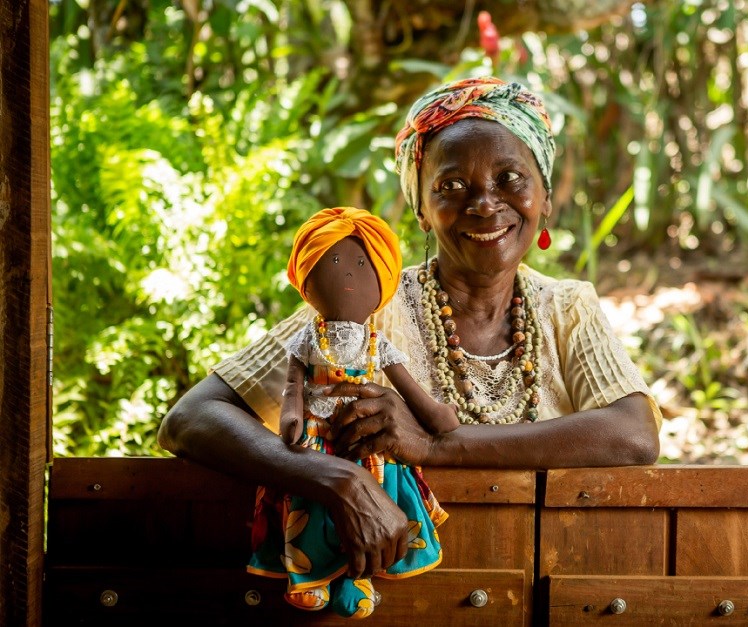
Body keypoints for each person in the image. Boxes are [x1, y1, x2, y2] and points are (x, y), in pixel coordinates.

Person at [158, 76, 661, 586]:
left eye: (510, 178)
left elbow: (634, 435)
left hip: (535, 579)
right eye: (451, 186)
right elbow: (192, 418)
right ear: (421, 209)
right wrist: (340, 480)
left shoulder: (568, 307)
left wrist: (437, 446)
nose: (485, 204)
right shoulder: (370, 305)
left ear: (545, 197)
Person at [247, 207, 456, 617]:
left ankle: (355, 580)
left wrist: (432, 415)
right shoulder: (305, 336)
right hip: (316, 441)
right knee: (310, 511)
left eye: (361, 263)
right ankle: (310, 578)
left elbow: (407, 386)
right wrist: (291, 419)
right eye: (335, 261)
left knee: (377, 500)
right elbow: (293, 386)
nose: (346, 274)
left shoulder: (377, 342)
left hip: (366, 440)